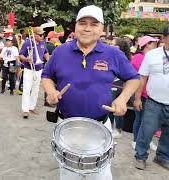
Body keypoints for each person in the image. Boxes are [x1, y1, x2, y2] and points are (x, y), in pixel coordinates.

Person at [41, 5, 140, 180]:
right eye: (83, 23)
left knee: (100, 174)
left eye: (94, 24)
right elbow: (47, 75)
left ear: (102, 29)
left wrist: (123, 99)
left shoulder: (113, 53)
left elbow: (133, 78)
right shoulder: (60, 51)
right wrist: (51, 91)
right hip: (67, 125)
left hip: (100, 126)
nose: (87, 28)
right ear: (75, 26)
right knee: (69, 174)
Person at [134, 27, 169, 171]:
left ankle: (162, 157)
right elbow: (142, 77)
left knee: (168, 134)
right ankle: (140, 157)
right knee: (146, 131)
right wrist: (137, 98)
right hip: (154, 102)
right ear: (165, 38)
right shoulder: (152, 55)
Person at [131, 36, 159, 150]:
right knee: (140, 118)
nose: (156, 44)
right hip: (141, 94)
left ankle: (148, 141)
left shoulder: (153, 57)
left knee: (150, 121)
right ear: (147, 44)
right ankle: (135, 140)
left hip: (151, 95)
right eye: (154, 43)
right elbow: (140, 77)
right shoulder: (139, 57)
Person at [19, 26, 50, 118]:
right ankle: (25, 110)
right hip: (29, 69)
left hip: (39, 69)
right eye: (40, 35)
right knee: (27, 89)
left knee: (36, 89)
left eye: (43, 34)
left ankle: (32, 107)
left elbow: (45, 52)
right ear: (34, 34)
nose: (42, 36)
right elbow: (20, 55)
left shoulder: (43, 43)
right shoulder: (27, 43)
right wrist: (26, 59)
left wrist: (48, 61)